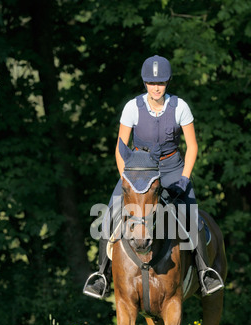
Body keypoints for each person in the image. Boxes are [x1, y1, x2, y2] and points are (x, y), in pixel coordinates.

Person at [83, 55, 224, 299]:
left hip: (171, 170)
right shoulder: (132, 107)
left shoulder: (180, 107)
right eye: (151, 83)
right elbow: (120, 147)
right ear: (145, 83)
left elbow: (192, 146)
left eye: (160, 83)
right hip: (137, 171)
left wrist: (184, 178)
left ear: (167, 83)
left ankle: (204, 273)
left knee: (193, 218)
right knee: (109, 215)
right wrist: (127, 180)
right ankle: (102, 275)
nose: (156, 88)